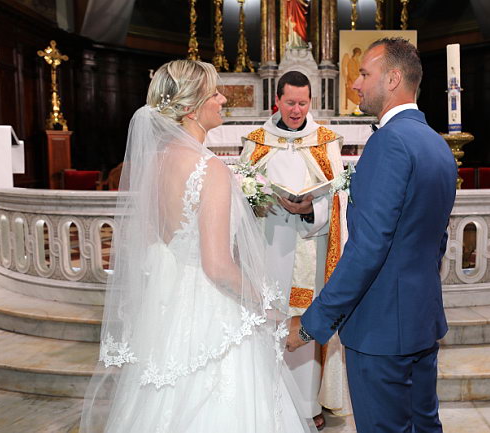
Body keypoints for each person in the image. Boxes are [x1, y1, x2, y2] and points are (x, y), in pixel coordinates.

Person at [79, 60, 316, 433]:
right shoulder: (209, 169)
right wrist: (268, 308)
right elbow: (218, 267)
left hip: (169, 311)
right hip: (213, 314)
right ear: (191, 108)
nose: (223, 99)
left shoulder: (153, 164)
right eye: (215, 93)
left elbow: (150, 243)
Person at [287, 38, 458, 433]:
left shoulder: (389, 142)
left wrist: (312, 323)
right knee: (424, 426)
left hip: (381, 330)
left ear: (393, 79)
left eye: (365, 74)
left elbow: (368, 248)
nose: (356, 83)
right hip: (421, 319)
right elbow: (437, 239)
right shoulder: (437, 144)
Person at [240, 70, 349, 430]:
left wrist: (310, 208)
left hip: (308, 247)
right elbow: (240, 193)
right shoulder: (257, 141)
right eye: (290, 102)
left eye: (303, 103)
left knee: (304, 319)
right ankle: (265, 398)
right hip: (267, 247)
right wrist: (257, 198)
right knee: (268, 317)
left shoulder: (325, 141)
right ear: (277, 100)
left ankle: (305, 405)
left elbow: (338, 198)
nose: (297, 110)